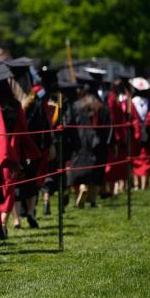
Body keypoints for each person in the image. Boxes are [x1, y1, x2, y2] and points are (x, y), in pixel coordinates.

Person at [0, 63, 42, 233]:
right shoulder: (15, 105)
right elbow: (23, 130)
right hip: (11, 149)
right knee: (9, 187)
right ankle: (2, 221)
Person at [65, 78, 112, 209]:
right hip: (98, 143)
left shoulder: (76, 105)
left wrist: (70, 140)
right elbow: (108, 125)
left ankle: (81, 188)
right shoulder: (101, 106)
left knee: (78, 171)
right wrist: (108, 142)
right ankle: (92, 200)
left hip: (80, 142)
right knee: (96, 172)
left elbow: (69, 123)